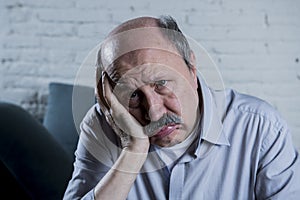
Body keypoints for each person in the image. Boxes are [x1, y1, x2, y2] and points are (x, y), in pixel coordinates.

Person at [63, 15, 300, 200]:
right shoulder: (101, 126)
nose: (154, 112)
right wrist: (133, 150)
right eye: (133, 94)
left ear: (192, 68)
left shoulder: (260, 126)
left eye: (161, 83)